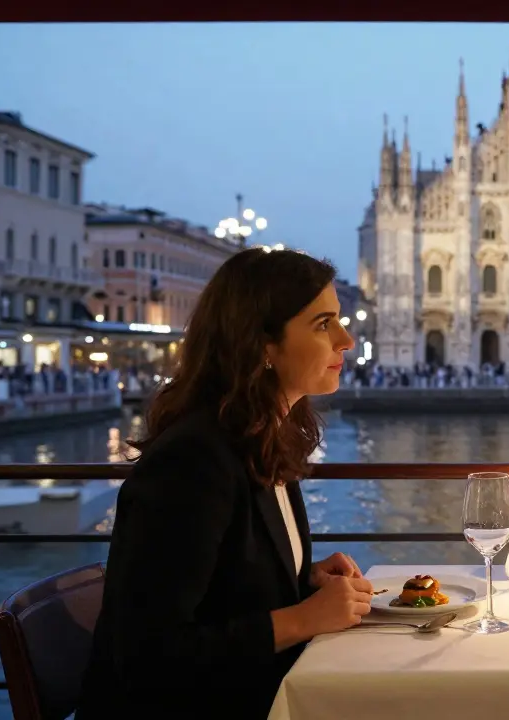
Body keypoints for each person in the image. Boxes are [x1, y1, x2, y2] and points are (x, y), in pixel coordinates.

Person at [77, 249, 373, 719]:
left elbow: (223, 588)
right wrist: (302, 618)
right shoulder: (191, 461)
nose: (347, 339)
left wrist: (301, 579)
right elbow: (149, 654)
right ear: (262, 345)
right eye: (323, 324)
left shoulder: (261, 439)